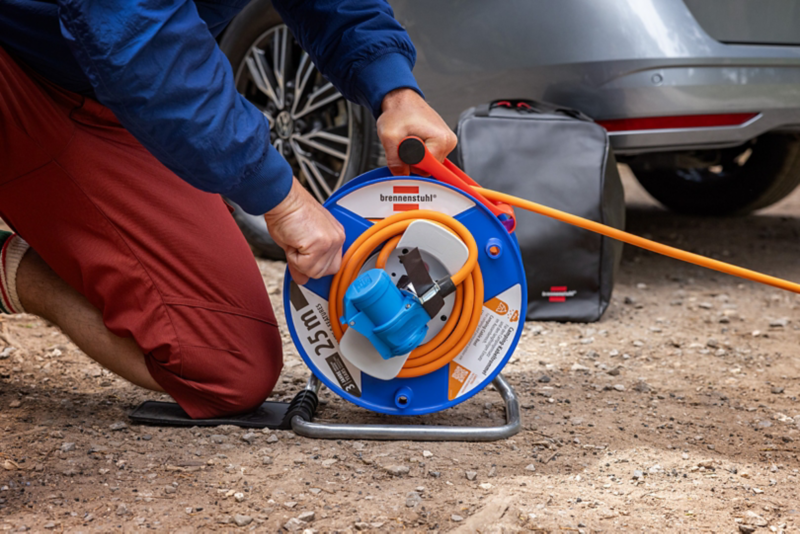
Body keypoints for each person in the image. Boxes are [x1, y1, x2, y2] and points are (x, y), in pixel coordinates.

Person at [0, 0, 457, 418]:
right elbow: (139, 38)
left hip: (119, 103)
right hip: (25, 70)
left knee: (227, 367)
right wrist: (282, 197)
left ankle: (8, 267)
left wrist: (394, 88)